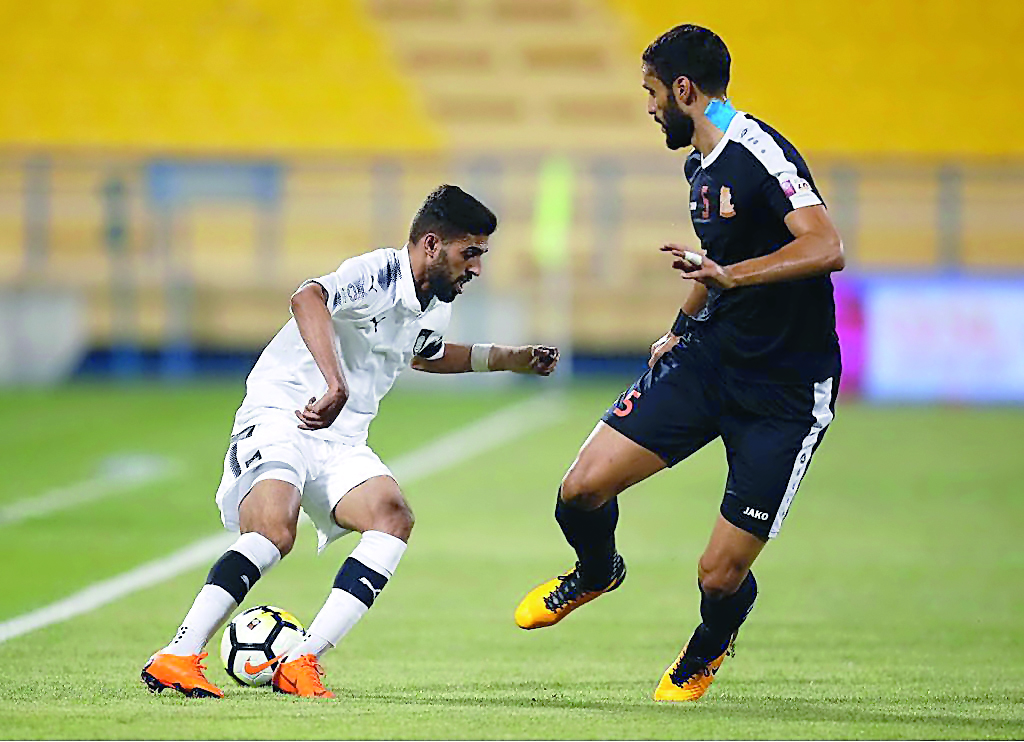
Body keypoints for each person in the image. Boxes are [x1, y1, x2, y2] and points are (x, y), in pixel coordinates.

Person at [514, 24, 844, 702]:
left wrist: (735, 278)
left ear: (684, 90)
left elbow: (827, 246)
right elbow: (713, 262)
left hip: (784, 391)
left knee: (718, 576)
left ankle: (710, 641)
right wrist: (678, 327)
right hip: (708, 360)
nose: (649, 108)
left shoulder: (758, 152)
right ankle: (598, 571)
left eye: (652, 92)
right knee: (580, 490)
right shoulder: (700, 163)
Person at [141, 185, 559, 699]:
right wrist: (334, 382)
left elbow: (423, 354)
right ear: (431, 244)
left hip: (341, 436)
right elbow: (307, 297)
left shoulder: (433, 304)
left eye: (481, 255)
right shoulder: (379, 273)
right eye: (469, 253)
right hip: (285, 412)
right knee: (275, 529)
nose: (476, 268)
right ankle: (178, 654)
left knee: (392, 517)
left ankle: (301, 661)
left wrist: (510, 357)